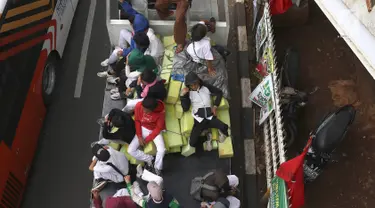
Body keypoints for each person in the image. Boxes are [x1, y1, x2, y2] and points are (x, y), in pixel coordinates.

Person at [180, 72, 229, 151]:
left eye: (195, 84)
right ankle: (207, 136)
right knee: (192, 143)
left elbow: (219, 92)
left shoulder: (206, 87)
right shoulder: (188, 93)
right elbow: (185, 108)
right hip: (199, 120)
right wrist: (183, 97)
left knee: (224, 127)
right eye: (191, 85)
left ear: (198, 81)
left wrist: (215, 106)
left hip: (210, 116)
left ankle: (215, 131)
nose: (194, 87)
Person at [128, 97, 166, 175]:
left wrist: (147, 140)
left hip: (155, 130)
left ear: (153, 109)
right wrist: (139, 136)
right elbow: (137, 120)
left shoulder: (161, 112)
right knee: (130, 150)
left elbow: (158, 128)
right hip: (143, 128)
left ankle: (157, 167)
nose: (144, 111)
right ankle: (149, 159)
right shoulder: (139, 105)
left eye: (146, 110)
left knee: (162, 150)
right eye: (143, 109)